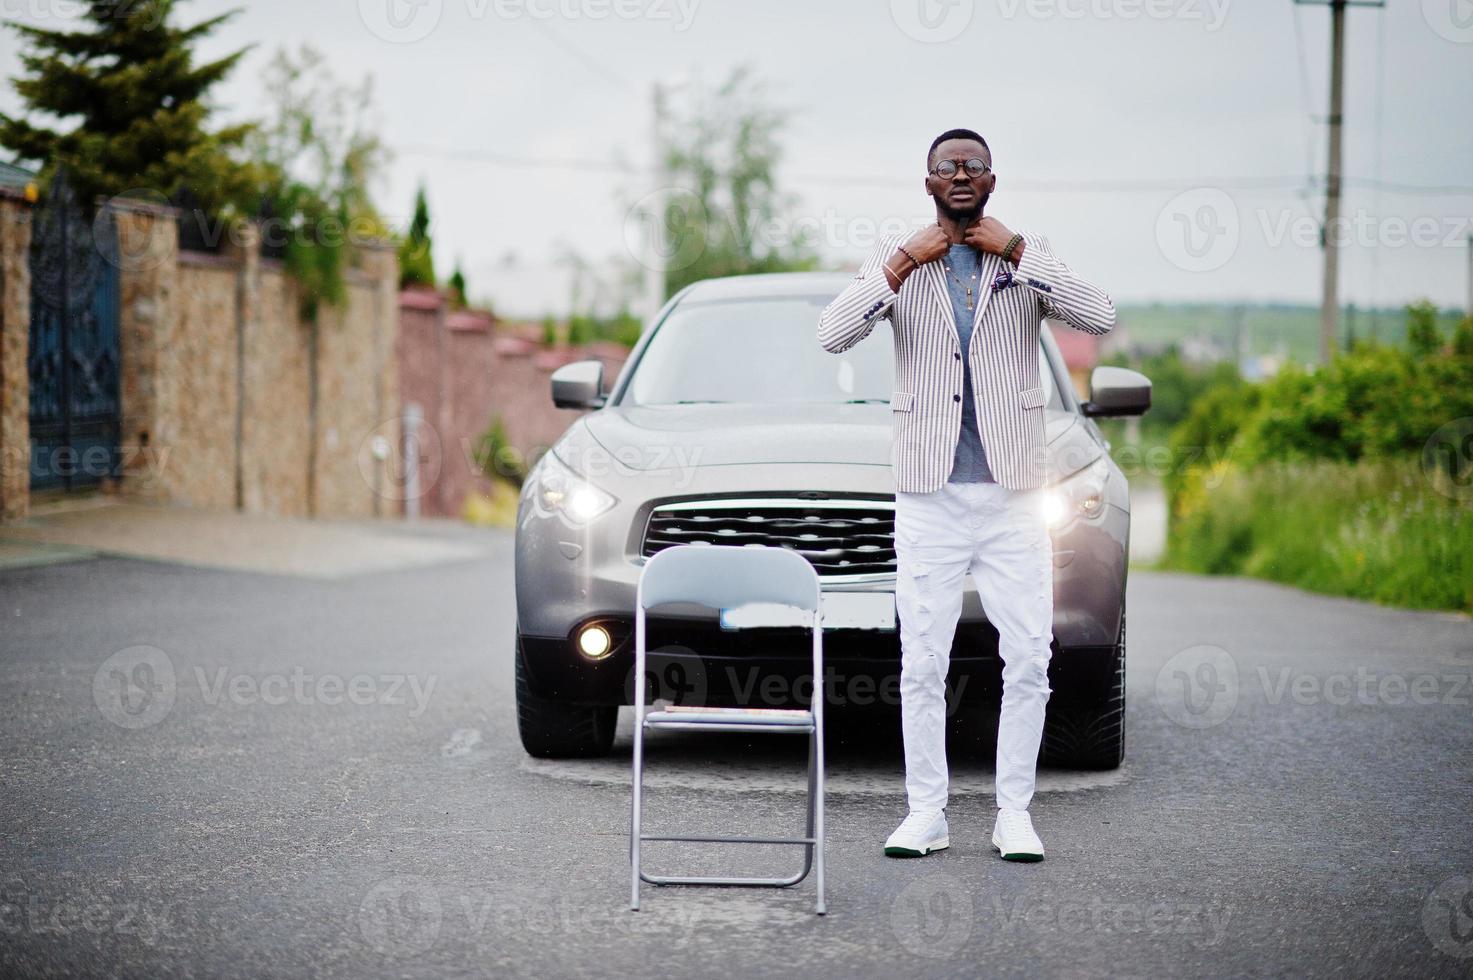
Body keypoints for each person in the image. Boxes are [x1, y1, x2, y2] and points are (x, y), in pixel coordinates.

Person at [817, 128, 1116, 861]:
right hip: (929, 495)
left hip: (1014, 495)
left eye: (972, 166)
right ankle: (927, 812)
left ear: (991, 180)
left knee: (1029, 658)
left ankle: (1013, 811)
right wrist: (896, 264)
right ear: (927, 183)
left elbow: (1099, 315)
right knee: (921, 661)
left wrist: (1019, 254)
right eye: (946, 167)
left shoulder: (1022, 257)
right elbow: (830, 333)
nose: (960, 175)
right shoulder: (903, 258)